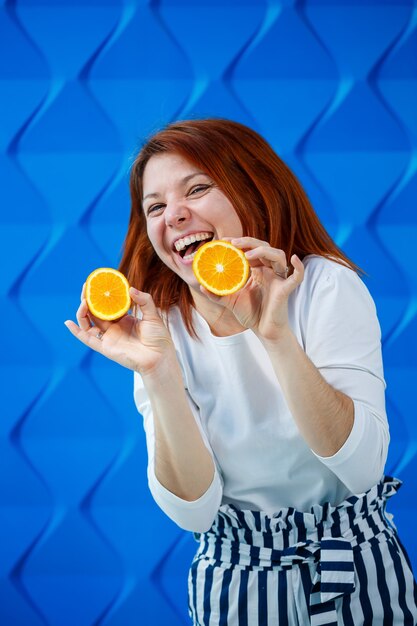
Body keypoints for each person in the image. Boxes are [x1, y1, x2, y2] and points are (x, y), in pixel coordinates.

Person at [65, 119, 417, 625]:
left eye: (198, 188)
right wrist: (159, 375)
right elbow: (193, 512)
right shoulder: (157, 326)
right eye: (156, 207)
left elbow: (361, 471)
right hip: (233, 582)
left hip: (355, 568)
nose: (175, 215)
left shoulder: (324, 286)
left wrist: (271, 335)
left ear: (253, 186)